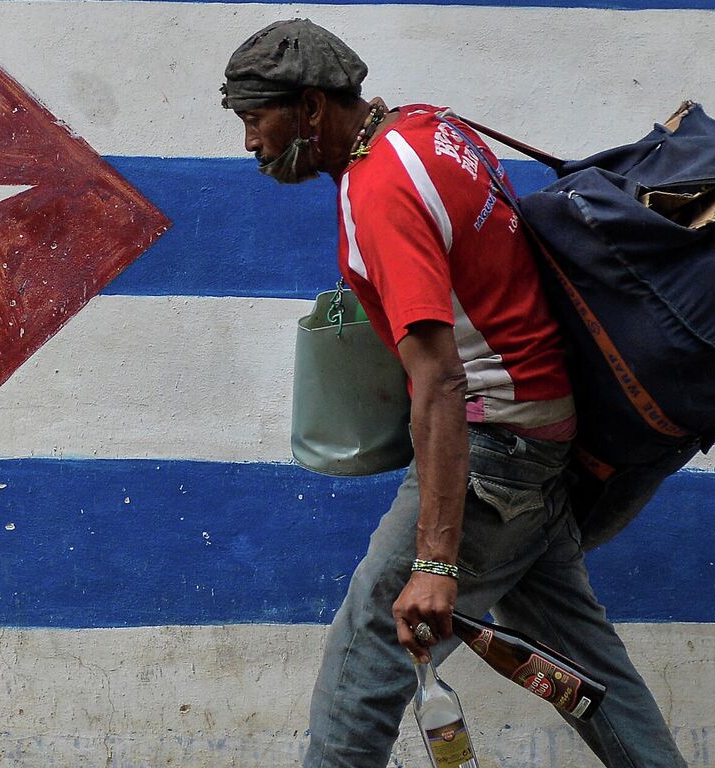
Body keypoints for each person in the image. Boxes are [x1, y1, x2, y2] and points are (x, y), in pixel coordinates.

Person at [221, 19, 689, 768]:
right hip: (538, 433)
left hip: (493, 446)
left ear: (311, 107)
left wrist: (436, 561)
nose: (250, 143)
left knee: (366, 652)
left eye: (256, 119)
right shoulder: (429, 127)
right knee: (588, 668)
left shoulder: (380, 192)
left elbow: (440, 379)